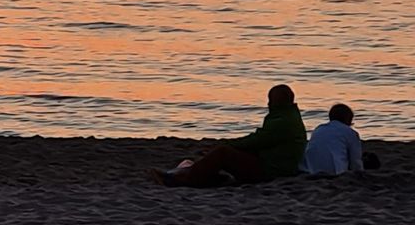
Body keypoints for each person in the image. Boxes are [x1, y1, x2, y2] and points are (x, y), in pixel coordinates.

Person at [152, 84, 307, 187]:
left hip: (271, 170)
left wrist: (228, 144)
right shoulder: (289, 116)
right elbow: (261, 141)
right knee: (224, 153)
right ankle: (201, 175)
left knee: (223, 153)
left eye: (271, 101)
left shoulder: (282, 121)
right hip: (274, 164)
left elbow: (256, 141)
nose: (268, 104)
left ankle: (183, 179)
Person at [301, 103, 364, 176]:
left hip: (311, 168)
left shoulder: (319, 128)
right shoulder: (350, 132)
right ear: (348, 120)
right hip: (334, 169)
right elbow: (355, 160)